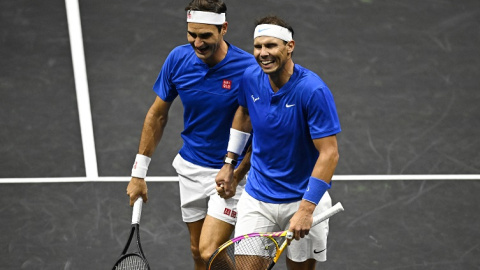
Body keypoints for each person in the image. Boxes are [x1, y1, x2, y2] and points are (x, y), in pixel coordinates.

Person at [126, 0, 256, 268]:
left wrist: (238, 171)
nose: (197, 43)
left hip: (229, 174)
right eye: (192, 34)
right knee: (198, 252)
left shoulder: (249, 69)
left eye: (205, 35)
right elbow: (157, 115)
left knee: (210, 252)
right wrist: (139, 173)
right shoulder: (178, 59)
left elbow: (263, 130)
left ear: (224, 29)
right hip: (190, 170)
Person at [215, 15, 341, 269]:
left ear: (289, 46)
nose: (263, 53)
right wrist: (231, 164)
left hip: (301, 199)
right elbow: (244, 113)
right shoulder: (251, 78)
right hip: (257, 197)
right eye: (258, 46)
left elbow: (329, 154)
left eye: (271, 46)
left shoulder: (313, 91)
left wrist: (306, 210)